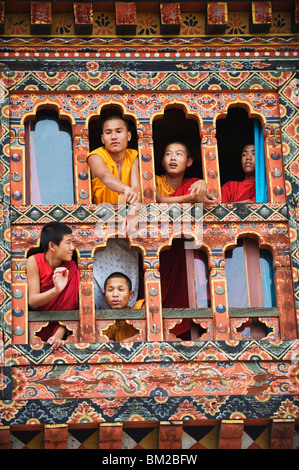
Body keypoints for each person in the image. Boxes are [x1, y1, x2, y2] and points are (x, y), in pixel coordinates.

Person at [156, 141, 214, 339]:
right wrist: (189, 199)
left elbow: (205, 197)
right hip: (158, 248)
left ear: (189, 161)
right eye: (168, 154)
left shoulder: (194, 183)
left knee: (188, 290)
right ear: (162, 161)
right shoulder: (154, 181)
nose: (173, 158)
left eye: (179, 154)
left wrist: (203, 185)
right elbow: (157, 199)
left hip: (185, 250)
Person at [26, 222, 80, 350]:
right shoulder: (34, 261)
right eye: (68, 243)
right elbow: (33, 302)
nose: (72, 247)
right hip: (37, 328)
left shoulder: (71, 268)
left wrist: (57, 336)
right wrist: (56, 290)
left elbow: (70, 308)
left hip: (62, 331)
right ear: (52, 246)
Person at [87, 115, 141, 205]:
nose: (113, 137)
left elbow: (136, 187)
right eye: (108, 133)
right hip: (101, 213)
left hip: (125, 212)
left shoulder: (133, 156)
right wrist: (126, 189)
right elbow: (106, 177)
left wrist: (133, 210)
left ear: (128, 136)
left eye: (119, 131)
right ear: (102, 139)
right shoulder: (95, 156)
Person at [102, 272, 144, 342]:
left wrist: (121, 344)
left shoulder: (139, 307)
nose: (115, 294)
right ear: (104, 296)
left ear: (131, 295)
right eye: (110, 290)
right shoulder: (104, 323)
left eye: (121, 289)